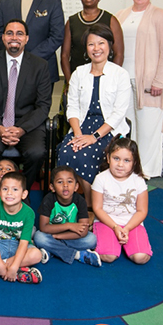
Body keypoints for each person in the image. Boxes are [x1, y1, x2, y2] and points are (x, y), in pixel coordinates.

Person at [57, 23, 131, 209]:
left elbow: (118, 114)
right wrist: (78, 134)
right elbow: (72, 108)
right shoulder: (79, 73)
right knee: (66, 151)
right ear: (86, 48)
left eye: (101, 43)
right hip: (81, 126)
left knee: (86, 155)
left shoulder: (120, 74)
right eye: (91, 44)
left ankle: (91, 205)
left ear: (110, 46)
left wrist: (94, 137)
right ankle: (78, 202)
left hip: (109, 130)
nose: (96, 48)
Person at [0, 19, 52, 189]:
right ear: (3, 38)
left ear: (27, 38)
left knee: (36, 152)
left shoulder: (40, 66)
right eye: (9, 33)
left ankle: (21, 189)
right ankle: (1, 189)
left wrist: (20, 129)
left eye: (19, 33)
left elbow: (43, 106)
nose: (14, 37)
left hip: (27, 126)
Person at [116, 0, 163, 178]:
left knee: (148, 129)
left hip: (149, 83)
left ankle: (146, 171)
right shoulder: (122, 15)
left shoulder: (159, 15)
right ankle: (129, 168)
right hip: (124, 79)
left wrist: (159, 80)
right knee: (128, 126)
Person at [0, 0, 64, 98]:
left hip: (42, 68)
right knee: (10, 111)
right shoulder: (5, 1)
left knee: (39, 114)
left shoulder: (52, 1)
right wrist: (13, 56)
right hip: (10, 67)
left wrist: (28, 58)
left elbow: (57, 36)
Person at [92, 138, 152, 265]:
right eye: (116, 158)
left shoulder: (138, 181)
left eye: (126, 160)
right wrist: (115, 227)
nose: (120, 165)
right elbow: (97, 208)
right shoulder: (100, 179)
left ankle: (127, 241)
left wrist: (128, 228)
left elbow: (142, 210)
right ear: (108, 158)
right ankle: (112, 241)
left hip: (132, 223)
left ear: (134, 162)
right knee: (108, 256)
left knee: (141, 257)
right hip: (107, 222)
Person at [33, 166, 101, 267]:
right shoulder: (49, 199)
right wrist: (69, 225)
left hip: (69, 235)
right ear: (52, 187)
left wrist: (58, 237)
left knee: (91, 240)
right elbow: (44, 227)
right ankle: (78, 255)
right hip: (51, 232)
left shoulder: (80, 201)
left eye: (69, 182)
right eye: (60, 182)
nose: (65, 185)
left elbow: (84, 230)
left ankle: (51, 250)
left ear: (76, 186)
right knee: (39, 237)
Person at [61, 0, 124, 83]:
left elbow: (119, 54)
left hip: (104, 79)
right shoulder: (72, 21)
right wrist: (69, 81)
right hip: (77, 79)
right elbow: (64, 55)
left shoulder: (110, 20)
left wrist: (111, 78)